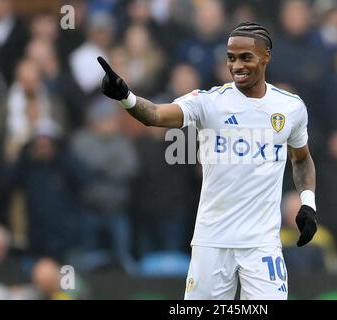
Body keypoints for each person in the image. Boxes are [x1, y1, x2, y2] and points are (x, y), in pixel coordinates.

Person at [97, 22, 318, 300]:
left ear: (266, 57)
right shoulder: (208, 103)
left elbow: (302, 159)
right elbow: (154, 114)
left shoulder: (291, 108)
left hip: (262, 244)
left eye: (246, 57)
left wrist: (307, 203)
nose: (237, 65)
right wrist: (125, 97)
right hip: (212, 242)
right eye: (231, 57)